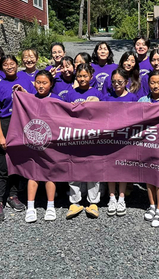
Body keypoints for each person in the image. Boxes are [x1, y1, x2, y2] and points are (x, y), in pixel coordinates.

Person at [0, 55, 37, 222]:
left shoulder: (24, 79)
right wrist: (0, 134)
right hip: (5, 124)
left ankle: (13, 195)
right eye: (6, 65)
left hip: (22, 124)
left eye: (12, 64)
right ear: (2, 68)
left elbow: (35, 101)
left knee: (17, 163)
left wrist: (24, 92)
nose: (9, 66)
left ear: (17, 65)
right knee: (2, 165)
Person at [64, 63, 103, 219]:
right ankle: (74, 201)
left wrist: (96, 103)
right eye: (79, 76)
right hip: (75, 136)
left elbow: (106, 113)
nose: (82, 79)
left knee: (93, 168)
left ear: (91, 77)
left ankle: (93, 202)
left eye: (85, 76)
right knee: (74, 169)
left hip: (93, 137)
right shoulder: (70, 94)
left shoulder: (98, 93)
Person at [25, 70, 61, 223]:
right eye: (38, 82)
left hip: (52, 143)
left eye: (44, 83)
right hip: (34, 142)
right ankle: (30, 207)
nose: (40, 86)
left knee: (49, 174)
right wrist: (21, 94)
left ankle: (51, 206)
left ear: (51, 84)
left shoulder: (57, 99)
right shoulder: (29, 99)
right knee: (33, 173)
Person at [139, 70, 159, 227]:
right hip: (146, 144)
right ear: (148, 84)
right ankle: (151, 205)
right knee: (149, 177)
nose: (156, 86)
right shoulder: (142, 101)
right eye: (152, 82)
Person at [105, 68, 138, 217]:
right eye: (114, 82)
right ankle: (112, 197)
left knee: (123, 168)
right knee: (111, 168)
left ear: (126, 82)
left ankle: (122, 197)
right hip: (109, 139)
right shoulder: (106, 97)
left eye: (120, 81)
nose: (116, 84)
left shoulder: (133, 98)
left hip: (126, 139)